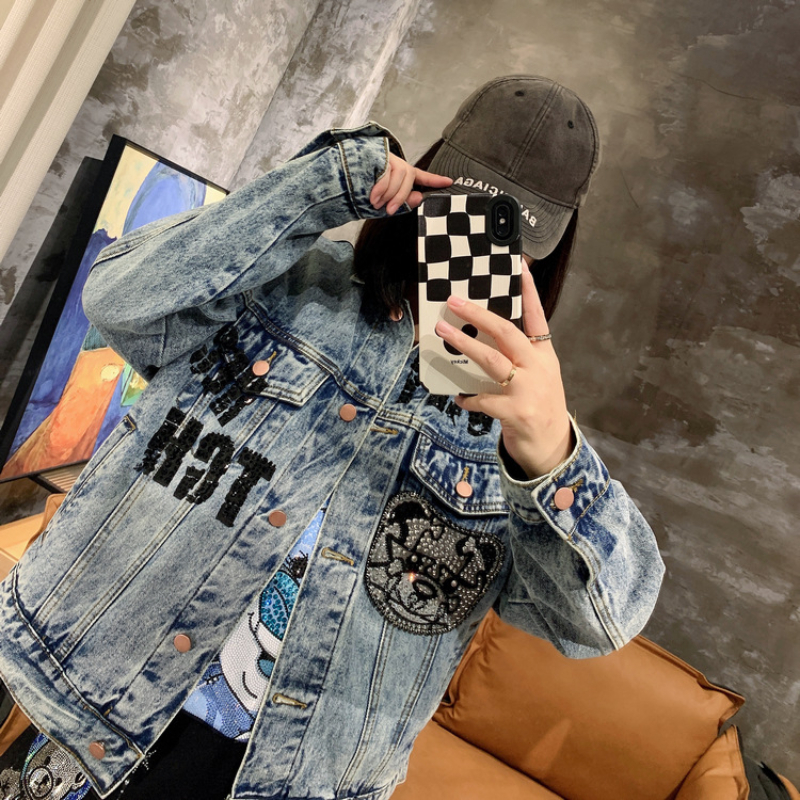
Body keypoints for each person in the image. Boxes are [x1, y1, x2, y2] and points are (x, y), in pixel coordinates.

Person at [0, 75, 664, 800]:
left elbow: (597, 622)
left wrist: (553, 457)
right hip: (94, 699)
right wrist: (322, 184)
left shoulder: (522, 433)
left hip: (287, 780)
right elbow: (117, 299)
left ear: (545, 253)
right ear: (423, 185)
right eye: (458, 211)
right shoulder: (285, 285)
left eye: (505, 235)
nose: (472, 246)